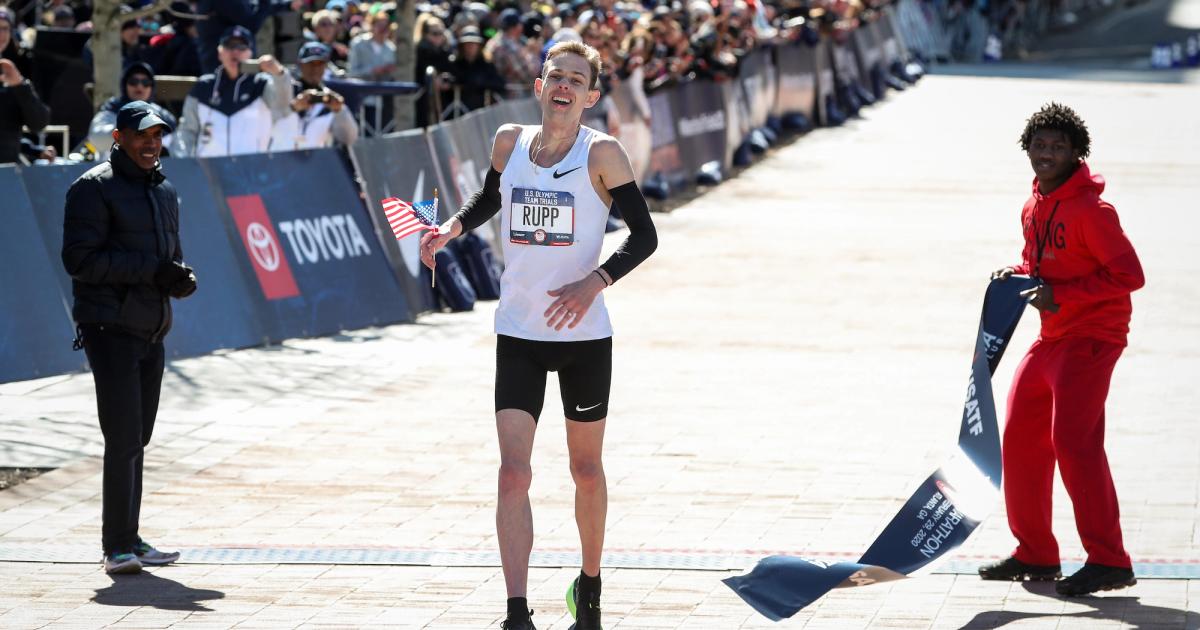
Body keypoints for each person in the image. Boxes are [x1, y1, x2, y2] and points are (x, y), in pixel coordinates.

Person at [419, 41, 657, 630]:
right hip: (519, 332)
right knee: (513, 472)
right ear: (539, 85)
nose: (565, 86)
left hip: (583, 339)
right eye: (557, 75)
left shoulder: (603, 153)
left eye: (578, 79)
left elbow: (645, 237)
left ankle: (590, 589)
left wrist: (593, 283)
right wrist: (450, 227)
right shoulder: (509, 141)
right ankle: (516, 610)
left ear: (591, 96)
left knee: (586, 471)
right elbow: (491, 198)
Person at [979, 103, 1144, 596]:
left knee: (1075, 445)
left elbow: (1130, 276)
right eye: (1039, 145)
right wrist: (1019, 275)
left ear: (1076, 154)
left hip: (1092, 340)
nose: (1046, 153)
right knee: (1022, 440)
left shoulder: (1093, 211)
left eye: (1058, 146)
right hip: (1051, 338)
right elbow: (1044, 262)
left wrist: (1063, 296)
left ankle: (1110, 561)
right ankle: (1036, 553)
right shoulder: (1033, 204)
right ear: (1027, 149)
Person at [61, 100, 197, 575]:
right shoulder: (91, 189)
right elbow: (80, 261)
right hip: (108, 328)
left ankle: (130, 537)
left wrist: (177, 279)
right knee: (122, 437)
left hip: (150, 330)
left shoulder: (165, 190)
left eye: (157, 135)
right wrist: (151, 272)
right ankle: (116, 545)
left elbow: (165, 258)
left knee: (138, 437)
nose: (151, 143)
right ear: (117, 137)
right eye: (141, 135)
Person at [173, 25, 292, 157]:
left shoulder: (262, 84)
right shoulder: (203, 87)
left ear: (250, 53)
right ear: (220, 53)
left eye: (241, 47)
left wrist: (278, 73)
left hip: (253, 172)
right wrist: (184, 161)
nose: (235, 51)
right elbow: (188, 130)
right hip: (209, 173)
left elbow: (284, 106)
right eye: (230, 46)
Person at [270, 41, 357, 150]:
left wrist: (339, 111)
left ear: (325, 67)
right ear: (300, 64)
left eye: (320, 64)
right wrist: (293, 108)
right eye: (310, 63)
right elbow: (266, 124)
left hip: (313, 163)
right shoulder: (286, 91)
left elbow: (349, 139)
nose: (315, 69)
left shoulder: (329, 99)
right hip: (280, 160)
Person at [87, 62, 178, 159]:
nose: (139, 86)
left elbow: (177, 149)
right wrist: (126, 128)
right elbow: (96, 138)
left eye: (145, 82)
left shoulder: (165, 117)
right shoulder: (111, 109)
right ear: (124, 84)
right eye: (133, 81)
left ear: (152, 87)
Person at [194, 0, 302, 73]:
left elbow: (251, 9)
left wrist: (287, 5)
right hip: (223, 66)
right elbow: (251, 25)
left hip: (228, 65)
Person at [0, 39, 50, 164]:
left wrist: (20, 85)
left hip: (7, 175)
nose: (1, 33)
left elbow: (38, 123)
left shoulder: (13, 80)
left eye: (5, 28)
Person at [445, 26, 505, 115]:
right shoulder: (454, 63)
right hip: (458, 113)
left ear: (479, 46)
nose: (470, 46)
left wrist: (482, 83)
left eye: (474, 43)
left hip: (480, 112)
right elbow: (451, 80)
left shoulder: (486, 64)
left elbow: (500, 84)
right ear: (462, 46)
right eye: (467, 43)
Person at [485, 7, 540, 98]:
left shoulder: (494, 41)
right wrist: (533, 54)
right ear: (515, 27)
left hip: (498, 96)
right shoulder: (508, 46)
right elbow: (528, 77)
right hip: (512, 97)